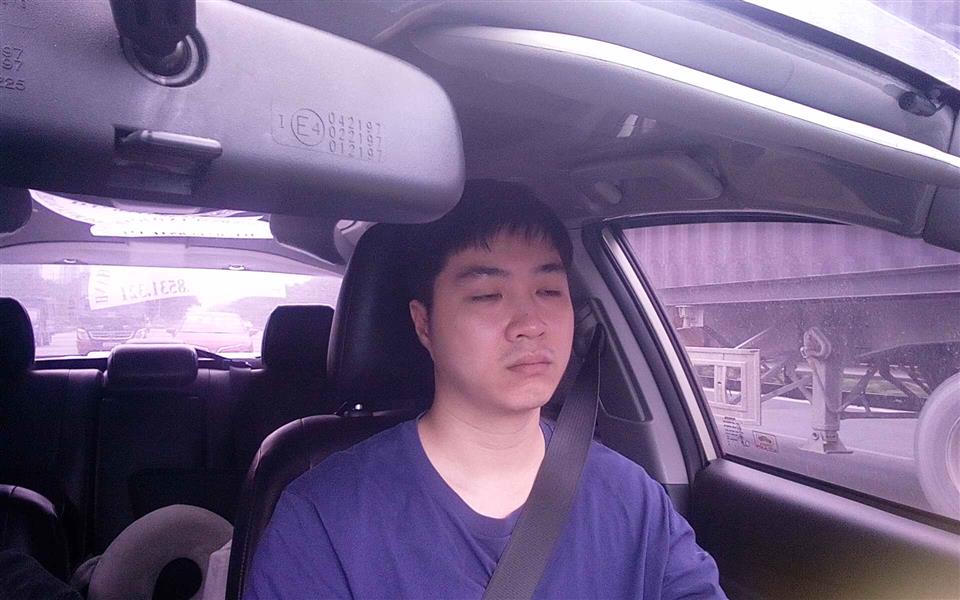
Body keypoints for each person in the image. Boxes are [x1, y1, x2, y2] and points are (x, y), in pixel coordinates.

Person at [244, 180, 726, 599]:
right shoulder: (326, 516)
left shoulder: (633, 499)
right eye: (487, 295)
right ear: (424, 324)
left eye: (549, 291)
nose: (530, 323)